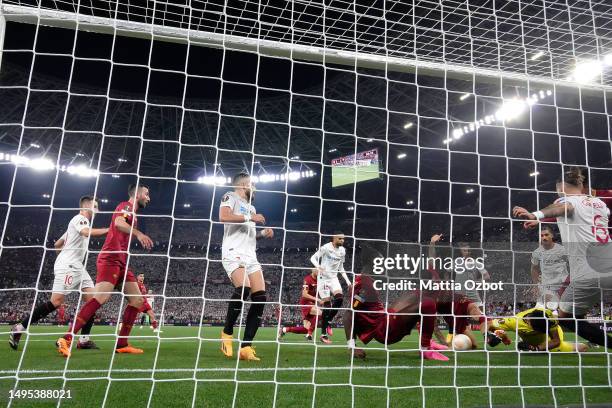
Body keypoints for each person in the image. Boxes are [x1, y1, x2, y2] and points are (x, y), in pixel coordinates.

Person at [513, 167, 611, 348]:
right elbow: (576, 215)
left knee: (567, 319)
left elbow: (563, 208)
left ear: (560, 188)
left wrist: (536, 214)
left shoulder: (566, 200)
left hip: (588, 270)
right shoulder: (600, 204)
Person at [56, 184, 153, 357]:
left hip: (122, 261)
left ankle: (122, 343)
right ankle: (67, 338)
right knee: (100, 297)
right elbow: (118, 222)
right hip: (110, 258)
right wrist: (138, 234)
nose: (148, 197)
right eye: (146, 194)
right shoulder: (126, 206)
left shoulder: (133, 212)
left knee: (137, 301)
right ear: (137, 194)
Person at [9, 196, 107, 351]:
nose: (98, 210)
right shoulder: (80, 218)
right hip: (68, 265)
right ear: (86, 206)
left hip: (77, 267)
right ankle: (19, 327)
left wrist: (64, 255)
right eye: (95, 206)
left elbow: (57, 244)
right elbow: (85, 232)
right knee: (56, 302)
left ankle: (83, 340)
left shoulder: (73, 225)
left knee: (93, 301)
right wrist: (108, 230)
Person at [344, 246, 449, 361]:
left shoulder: (364, 281)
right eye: (380, 261)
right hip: (385, 329)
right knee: (427, 304)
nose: (384, 264)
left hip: (385, 321)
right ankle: (425, 349)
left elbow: (355, 309)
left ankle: (428, 341)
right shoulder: (365, 285)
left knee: (416, 294)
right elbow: (349, 313)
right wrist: (352, 347)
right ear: (372, 263)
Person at [219, 172, 274, 361]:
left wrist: (261, 234)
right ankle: (226, 333)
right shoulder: (230, 196)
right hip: (233, 251)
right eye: (252, 184)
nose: (255, 188)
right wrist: (250, 218)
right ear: (243, 185)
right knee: (244, 288)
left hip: (251, 255)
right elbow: (223, 216)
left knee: (261, 297)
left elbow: (247, 234)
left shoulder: (252, 207)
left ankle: (246, 347)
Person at [310, 232, 350, 343]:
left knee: (340, 299)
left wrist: (348, 282)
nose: (342, 241)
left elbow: (341, 267)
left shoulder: (342, 251)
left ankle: (329, 320)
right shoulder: (326, 248)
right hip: (323, 279)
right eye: (340, 239)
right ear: (334, 238)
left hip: (333, 278)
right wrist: (318, 267)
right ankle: (323, 335)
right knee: (327, 307)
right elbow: (313, 258)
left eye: (343, 239)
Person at [491, 308, 588, 352]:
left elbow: (556, 340)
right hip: (534, 341)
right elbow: (490, 325)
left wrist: (537, 348)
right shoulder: (513, 321)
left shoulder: (549, 316)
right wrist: (502, 337)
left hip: (551, 343)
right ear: (528, 322)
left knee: (583, 348)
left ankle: (591, 344)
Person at [530, 225, 570, 310]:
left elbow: (573, 264)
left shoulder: (563, 250)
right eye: (542, 236)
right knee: (542, 310)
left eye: (546, 235)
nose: (544, 237)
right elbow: (534, 269)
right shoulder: (537, 252)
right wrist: (535, 285)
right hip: (547, 287)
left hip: (563, 286)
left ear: (552, 235)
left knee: (563, 311)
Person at [279, 269, 324, 340]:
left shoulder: (320, 279)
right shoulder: (307, 279)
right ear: (313, 270)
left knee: (306, 329)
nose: (320, 272)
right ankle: (309, 334)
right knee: (321, 314)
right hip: (306, 303)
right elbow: (304, 294)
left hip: (312, 304)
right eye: (318, 270)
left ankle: (285, 329)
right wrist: (317, 299)